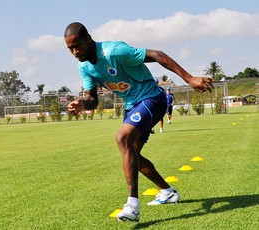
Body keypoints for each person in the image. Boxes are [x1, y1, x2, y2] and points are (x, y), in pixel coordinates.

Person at [64, 22, 213, 222]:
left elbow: (158, 55)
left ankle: (132, 205)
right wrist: (82, 102)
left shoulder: (115, 51)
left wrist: (189, 78)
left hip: (152, 98)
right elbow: (93, 100)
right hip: (132, 106)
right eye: (70, 48)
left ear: (89, 39)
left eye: (78, 45)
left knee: (122, 137)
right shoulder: (85, 67)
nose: (75, 51)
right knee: (132, 154)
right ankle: (167, 192)